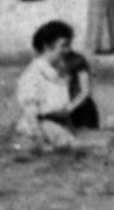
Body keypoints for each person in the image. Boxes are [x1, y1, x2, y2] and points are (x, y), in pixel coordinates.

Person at [12, 21, 86, 150]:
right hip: (38, 131)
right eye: (63, 46)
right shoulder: (33, 73)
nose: (68, 50)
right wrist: (43, 143)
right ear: (47, 46)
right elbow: (31, 114)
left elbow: (62, 112)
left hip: (57, 129)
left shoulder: (57, 72)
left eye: (68, 46)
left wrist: (71, 132)